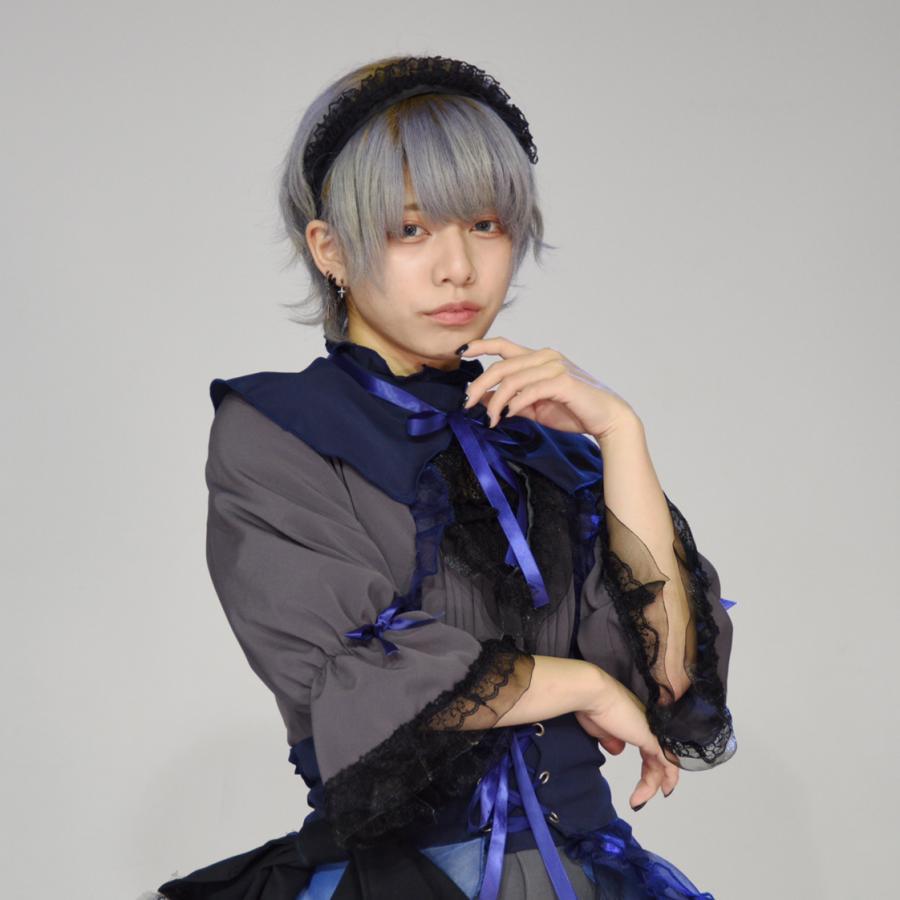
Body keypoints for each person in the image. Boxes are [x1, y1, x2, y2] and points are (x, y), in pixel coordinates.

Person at [152, 54, 737, 900]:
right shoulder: (277, 430)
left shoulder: (552, 445)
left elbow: (675, 682)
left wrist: (621, 437)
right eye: (410, 230)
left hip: (588, 874)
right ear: (330, 250)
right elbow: (352, 677)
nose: (458, 267)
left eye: (486, 225)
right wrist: (577, 682)